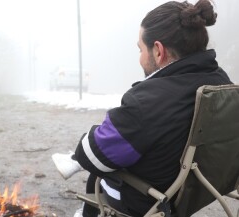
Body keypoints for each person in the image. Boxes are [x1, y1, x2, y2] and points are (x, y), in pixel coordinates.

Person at [52, 0, 233, 216]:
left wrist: (81, 150)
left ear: (158, 51)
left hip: (153, 201)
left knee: (98, 174)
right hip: (201, 189)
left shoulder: (146, 101)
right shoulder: (222, 82)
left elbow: (92, 154)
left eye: (140, 49)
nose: (139, 58)